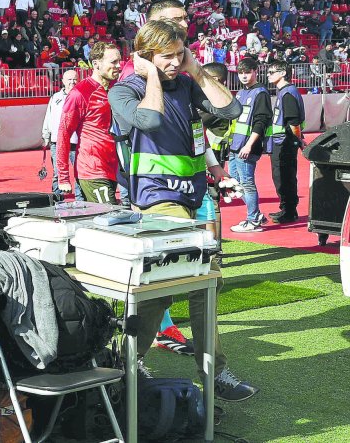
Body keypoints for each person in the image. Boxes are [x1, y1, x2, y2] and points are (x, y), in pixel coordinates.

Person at [109, 20, 258, 401]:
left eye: (180, 54)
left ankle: (129, 360)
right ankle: (217, 373)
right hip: (156, 201)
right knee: (206, 274)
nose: (175, 62)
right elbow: (151, 120)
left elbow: (231, 109)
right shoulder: (126, 90)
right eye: (167, 57)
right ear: (144, 57)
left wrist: (195, 68)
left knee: (161, 289)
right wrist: (152, 75)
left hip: (192, 200)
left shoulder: (188, 82)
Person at [56, 42, 121, 204]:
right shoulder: (80, 93)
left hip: (114, 169)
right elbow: (63, 134)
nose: (118, 66)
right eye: (113, 62)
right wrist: (63, 176)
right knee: (111, 218)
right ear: (96, 64)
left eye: (119, 61)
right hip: (92, 170)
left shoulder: (118, 88)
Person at [229, 58, 272, 233]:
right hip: (235, 145)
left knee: (246, 183)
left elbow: (260, 122)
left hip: (247, 146)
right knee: (234, 183)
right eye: (241, 73)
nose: (244, 76)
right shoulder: (240, 92)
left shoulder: (260, 93)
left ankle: (253, 220)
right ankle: (256, 215)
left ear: (255, 71)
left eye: (247, 72)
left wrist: (248, 145)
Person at [265, 60, 305, 225]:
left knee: (283, 177)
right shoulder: (287, 91)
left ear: (283, 73)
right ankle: (287, 209)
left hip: (284, 142)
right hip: (283, 141)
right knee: (283, 176)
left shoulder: (287, 93)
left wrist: (298, 141)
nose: (269, 75)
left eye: (272, 72)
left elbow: (293, 122)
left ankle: (289, 210)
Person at [42, 69, 78, 194]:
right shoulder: (55, 98)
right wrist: (45, 135)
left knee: (79, 172)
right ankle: (58, 198)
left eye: (74, 79)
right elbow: (48, 117)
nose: (72, 82)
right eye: (69, 79)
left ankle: (80, 197)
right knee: (57, 171)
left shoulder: (81, 96)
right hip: (56, 141)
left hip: (76, 141)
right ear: (63, 81)